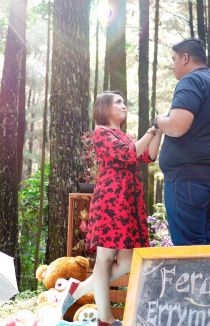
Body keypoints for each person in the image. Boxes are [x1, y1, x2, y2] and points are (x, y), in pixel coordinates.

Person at [59, 91, 162, 326]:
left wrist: (159, 130)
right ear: (104, 109)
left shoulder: (127, 136)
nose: (123, 106)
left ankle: (79, 288)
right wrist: (151, 129)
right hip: (110, 200)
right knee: (105, 258)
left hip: (129, 201)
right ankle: (104, 318)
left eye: (124, 102)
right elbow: (128, 155)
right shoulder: (101, 133)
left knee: (126, 261)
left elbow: (149, 156)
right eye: (118, 102)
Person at [154, 38, 210, 246]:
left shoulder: (191, 81)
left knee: (189, 251)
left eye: (174, 59)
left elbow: (177, 126)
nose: (173, 66)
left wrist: (159, 121)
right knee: (201, 245)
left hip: (190, 179)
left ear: (185, 57)